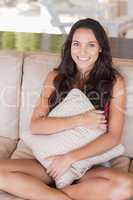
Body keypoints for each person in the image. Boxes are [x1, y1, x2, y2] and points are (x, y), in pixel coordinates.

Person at [0, 18, 133, 200]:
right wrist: (80, 119)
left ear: (101, 47)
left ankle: (40, 194)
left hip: (87, 166)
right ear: (70, 46)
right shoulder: (55, 78)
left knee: (128, 186)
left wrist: (69, 159)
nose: (82, 52)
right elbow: (36, 126)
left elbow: (113, 137)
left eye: (91, 45)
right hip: (49, 162)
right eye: (76, 44)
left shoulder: (115, 82)